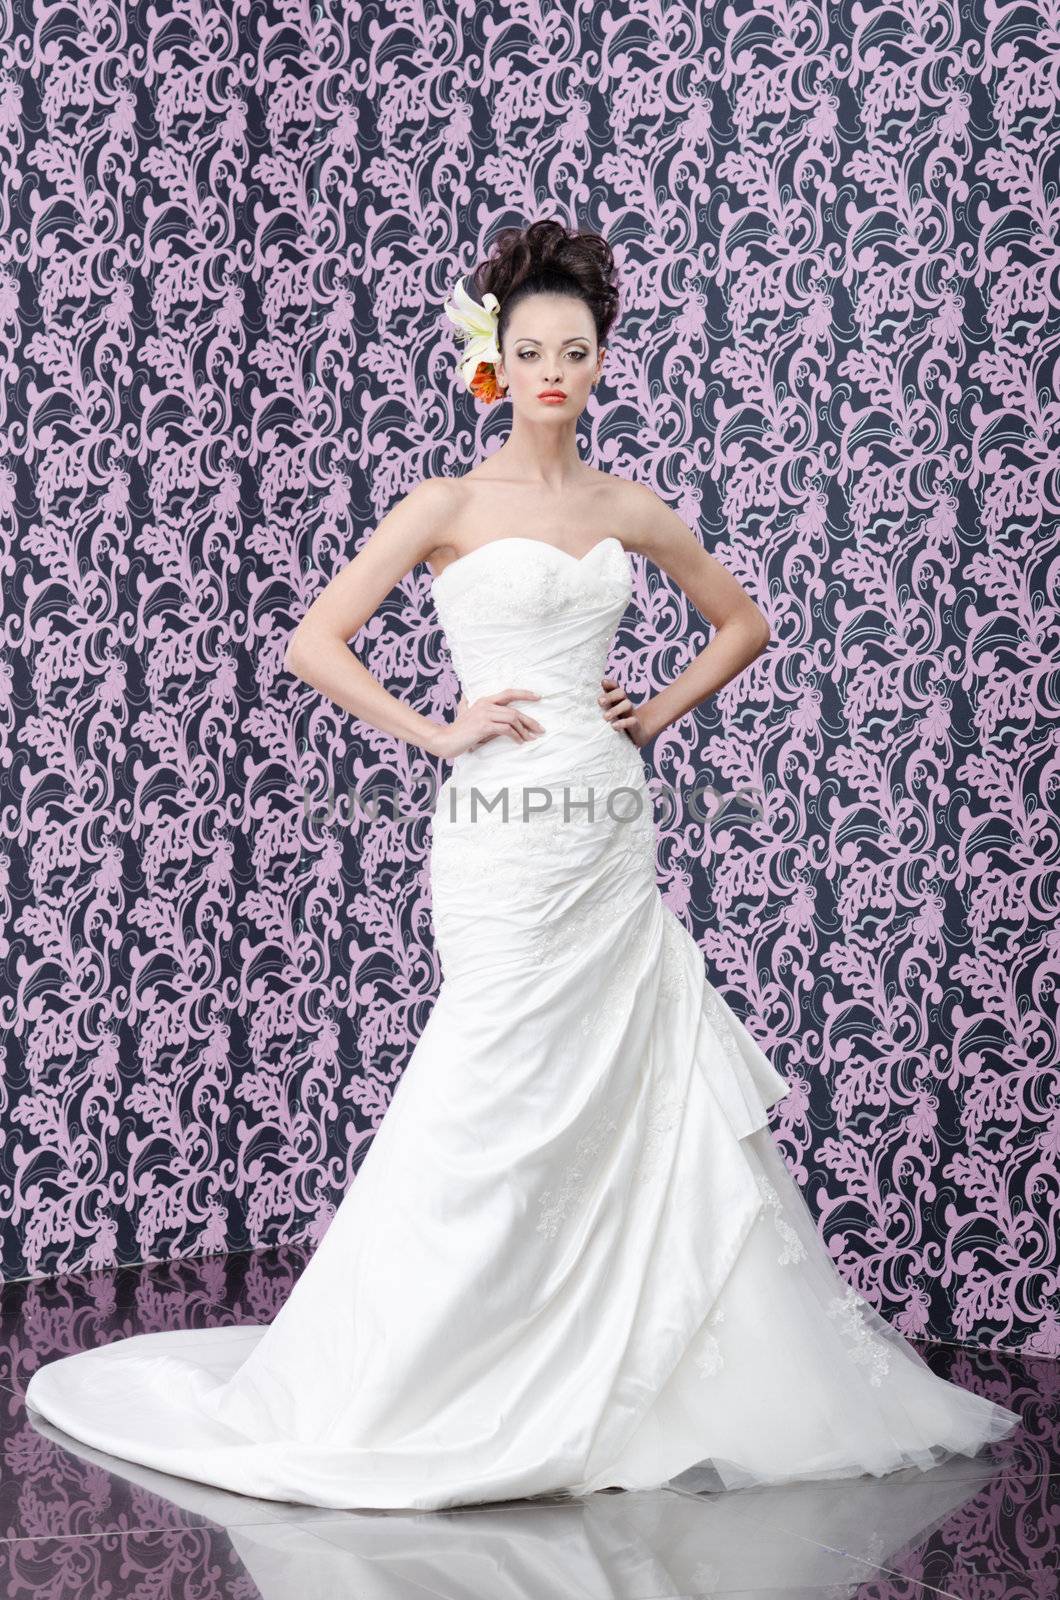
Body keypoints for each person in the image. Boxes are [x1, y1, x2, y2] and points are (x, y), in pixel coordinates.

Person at [24, 218, 1020, 1512]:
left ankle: (592, 1360)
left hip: (605, 821)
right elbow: (315, 642)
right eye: (533, 349)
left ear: (603, 364)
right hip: (499, 831)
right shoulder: (444, 505)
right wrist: (440, 730)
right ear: (497, 359)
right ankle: (433, 1372)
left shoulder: (627, 508)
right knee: (493, 1076)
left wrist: (652, 714)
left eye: (578, 350)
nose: (556, 370)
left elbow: (744, 621)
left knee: (617, 1082)